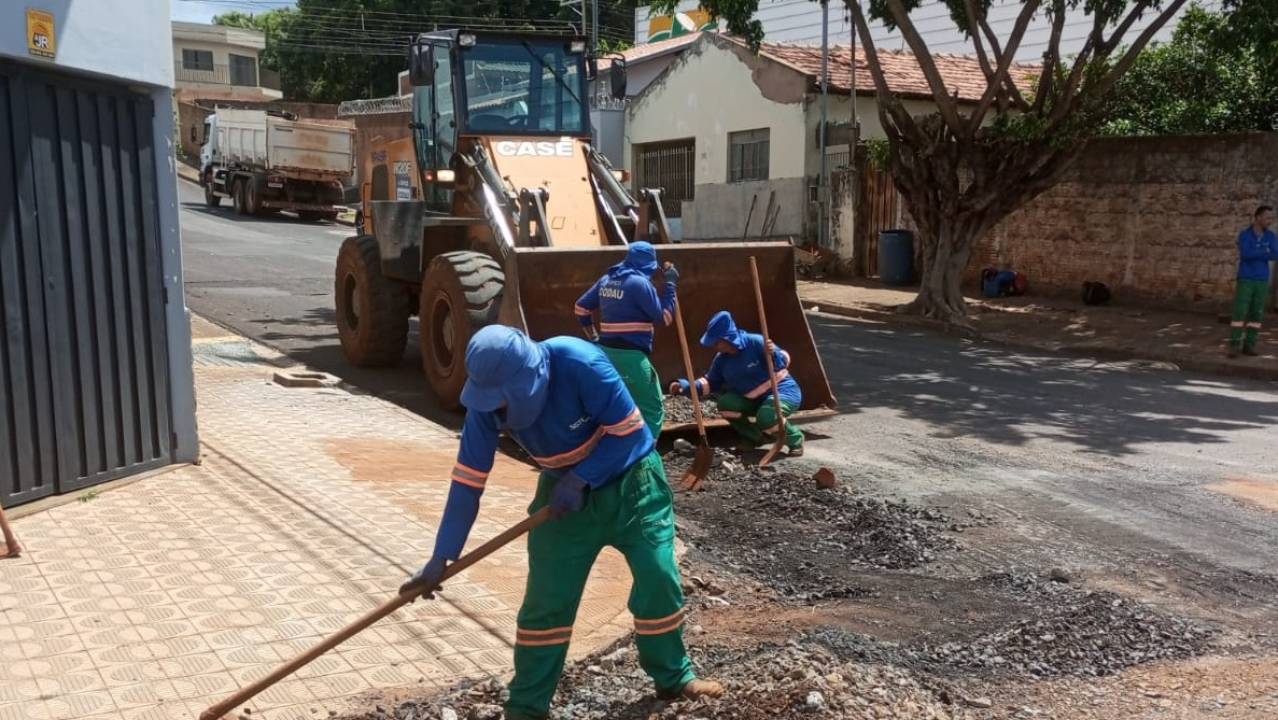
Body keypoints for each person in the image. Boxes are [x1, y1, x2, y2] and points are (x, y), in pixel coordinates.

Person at [401, 326, 721, 720]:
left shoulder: (579, 362)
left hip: (633, 486)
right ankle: (526, 709)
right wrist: (442, 555)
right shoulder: (486, 405)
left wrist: (582, 477)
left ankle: (674, 677)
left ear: (528, 381)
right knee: (546, 602)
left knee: (658, 575)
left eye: (503, 402)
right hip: (563, 502)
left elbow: (633, 435)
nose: (496, 412)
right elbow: (468, 482)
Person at [574, 241, 678, 435]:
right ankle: (646, 458)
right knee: (652, 408)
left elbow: (581, 308)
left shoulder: (607, 280)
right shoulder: (639, 283)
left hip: (605, 354)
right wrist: (671, 285)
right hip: (632, 358)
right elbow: (664, 317)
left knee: (618, 404)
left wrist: (594, 337)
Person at [668, 310, 804, 457]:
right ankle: (754, 438)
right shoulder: (721, 360)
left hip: (782, 391)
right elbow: (710, 382)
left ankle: (795, 440)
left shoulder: (756, 342)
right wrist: (686, 386)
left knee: (767, 417)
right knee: (726, 404)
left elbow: (782, 363)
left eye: (716, 342)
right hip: (753, 399)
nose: (714, 345)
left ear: (728, 339)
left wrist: (773, 353)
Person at [1229, 205, 1278, 357]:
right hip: (1246, 279)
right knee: (1240, 312)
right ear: (1258, 218)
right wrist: (1265, 252)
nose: (1270, 221)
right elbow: (1246, 254)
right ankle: (1234, 346)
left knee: (1257, 314)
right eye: (1267, 217)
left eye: (1271, 218)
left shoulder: (1270, 236)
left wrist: (1258, 252)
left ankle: (1249, 346)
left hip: (1262, 280)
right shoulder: (1245, 235)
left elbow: (1276, 254)